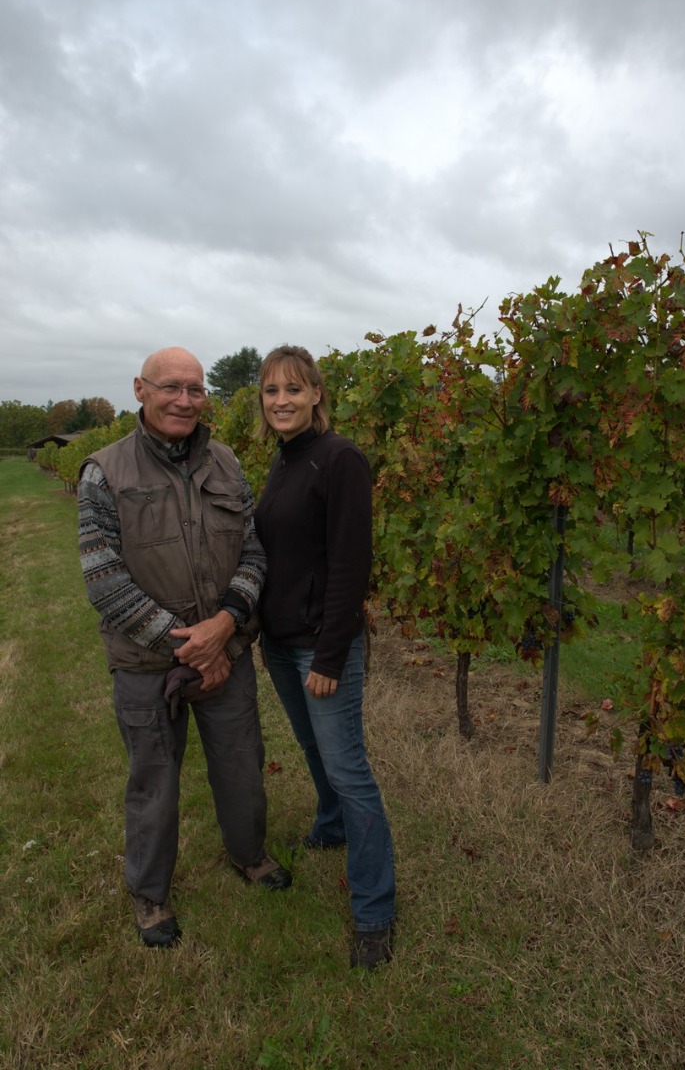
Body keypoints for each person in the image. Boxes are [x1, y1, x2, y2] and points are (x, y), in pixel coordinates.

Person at [78, 346, 291, 949]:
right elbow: (104, 580)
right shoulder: (105, 471)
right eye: (171, 387)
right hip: (147, 663)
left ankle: (249, 855)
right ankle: (150, 896)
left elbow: (253, 552)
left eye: (195, 389)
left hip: (225, 648)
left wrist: (225, 623)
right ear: (140, 390)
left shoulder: (225, 464)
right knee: (154, 780)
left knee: (241, 764)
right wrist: (191, 645)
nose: (184, 399)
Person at [254, 344, 395, 970]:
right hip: (281, 643)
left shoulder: (340, 459)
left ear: (316, 394)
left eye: (293, 389)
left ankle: (374, 912)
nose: (280, 401)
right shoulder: (284, 462)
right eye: (270, 391)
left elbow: (349, 566)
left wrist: (330, 657)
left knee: (348, 769)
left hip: (320, 645)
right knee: (314, 752)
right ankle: (330, 827)